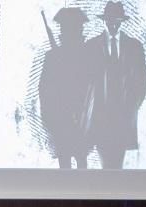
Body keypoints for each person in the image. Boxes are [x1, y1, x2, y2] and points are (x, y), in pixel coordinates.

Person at [87, 2, 146, 169]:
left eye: (117, 20)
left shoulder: (135, 47)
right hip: (99, 120)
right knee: (106, 171)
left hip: (123, 119)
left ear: (122, 21)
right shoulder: (91, 47)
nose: (113, 24)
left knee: (117, 170)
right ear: (104, 21)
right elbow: (85, 81)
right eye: (109, 20)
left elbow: (142, 80)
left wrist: (132, 106)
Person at [39, 7, 94, 169]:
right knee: (65, 165)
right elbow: (44, 90)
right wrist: (52, 116)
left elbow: (93, 86)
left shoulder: (87, 57)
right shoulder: (52, 57)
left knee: (81, 163)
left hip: (82, 120)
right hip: (61, 121)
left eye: (74, 27)